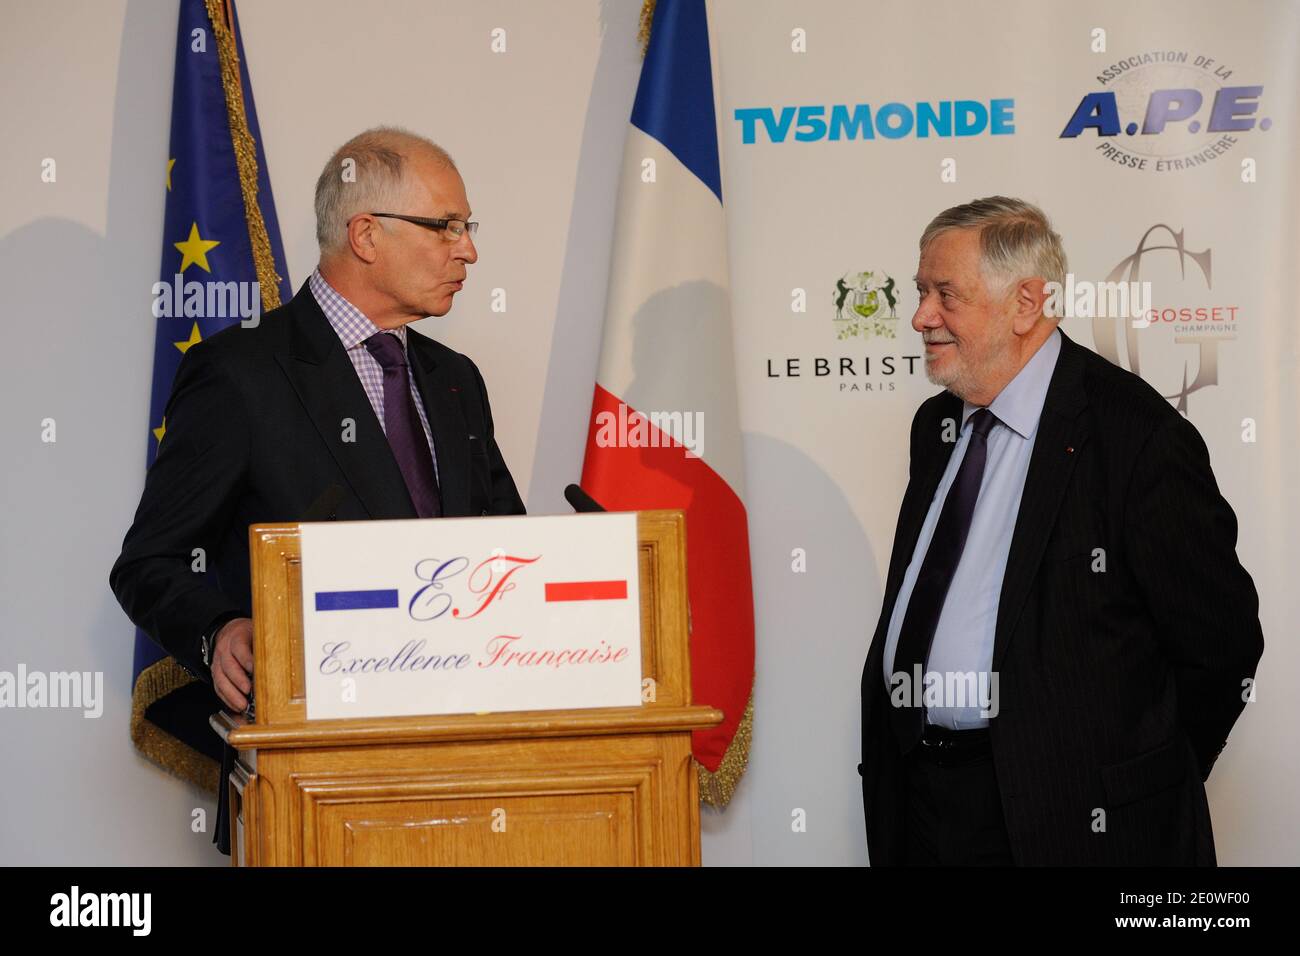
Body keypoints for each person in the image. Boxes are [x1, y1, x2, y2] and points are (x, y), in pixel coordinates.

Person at [110, 127, 525, 853]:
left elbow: (509, 547)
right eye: (447, 226)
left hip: (474, 773)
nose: (468, 249)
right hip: (313, 782)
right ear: (366, 234)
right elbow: (149, 563)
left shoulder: (455, 377)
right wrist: (219, 633)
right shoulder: (243, 374)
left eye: (468, 228)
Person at [858, 196, 1263, 865]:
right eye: (921, 292)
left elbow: (1220, 644)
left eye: (945, 295)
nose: (921, 317)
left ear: (1025, 304)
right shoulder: (936, 426)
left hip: (1072, 826)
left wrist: (1140, 779)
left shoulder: (1135, 436)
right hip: (926, 809)